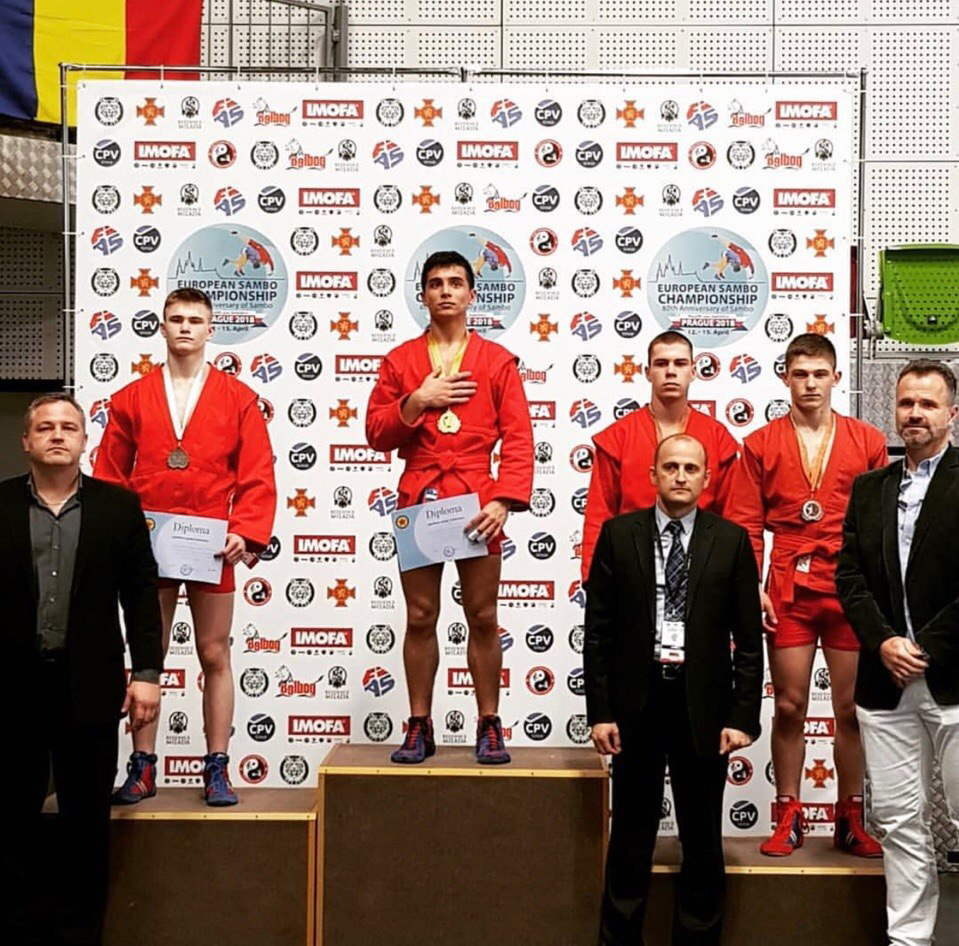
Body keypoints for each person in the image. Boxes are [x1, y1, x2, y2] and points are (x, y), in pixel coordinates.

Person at [94, 287, 277, 806]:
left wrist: (245, 529)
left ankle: (217, 764)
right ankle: (143, 764)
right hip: (148, 545)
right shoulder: (130, 398)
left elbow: (257, 472)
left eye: (195, 320)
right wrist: (120, 536)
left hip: (211, 544)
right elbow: (110, 475)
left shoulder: (238, 398)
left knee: (214, 652)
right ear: (162, 326)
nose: (185, 328)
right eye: (176, 319)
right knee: (147, 654)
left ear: (210, 329)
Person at [585, 433, 763, 946]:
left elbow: (748, 639)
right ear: (653, 476)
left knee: (702, 837)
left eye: (690, 468)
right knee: (630, 835)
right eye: (670, 467)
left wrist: (742, 717)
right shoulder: (619, 535)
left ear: (707, 478)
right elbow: (598, 632)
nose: (680, 476)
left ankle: (699, 938)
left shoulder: (730, 541)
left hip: (702, 706)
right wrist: (601, 712)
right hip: (637, 704)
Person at [0, 393, 162, 946]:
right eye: (45, 427)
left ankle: (80, 934)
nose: (57, 435)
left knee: (86, 822)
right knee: (10, 820)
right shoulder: (0, 504)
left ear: (84, 441)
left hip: (89, 687)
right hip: (12, 689)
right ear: (26, 441)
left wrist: (147, 673)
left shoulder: (118, 508)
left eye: (68, 427)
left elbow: (141, 596)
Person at [366, 249, 533, 764]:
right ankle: (419, 723)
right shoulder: (400, 362)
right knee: (420, 615)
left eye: (455, 282)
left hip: (477, 499)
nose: (445, 291)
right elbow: (376, 433)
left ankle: (489, 723)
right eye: (436, 283)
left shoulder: (496, 361)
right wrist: (417, 401)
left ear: (471, 294)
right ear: (423, 295)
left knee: (482, 614)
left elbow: (520, 439)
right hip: (421, 496)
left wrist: (504, 499)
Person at [727, 333, 886, 857]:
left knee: (850, 708)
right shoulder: (760, 443)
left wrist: (876, 589)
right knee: (790, 704)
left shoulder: (867, 440)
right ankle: (788, 813)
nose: (810, 384)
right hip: (788, 586)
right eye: (800, 374)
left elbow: (878, 523)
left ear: (836, 378)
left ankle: (850, 817)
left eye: (820, 374)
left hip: (848, 586)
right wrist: (752, 586)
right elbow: (746, 522)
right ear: (785, 378)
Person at [837, 359, 959, 945]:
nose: (915, 413)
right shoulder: (870, 488)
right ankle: (909, 938)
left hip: (953, 679)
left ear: (952, 414)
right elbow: (849, 577)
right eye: (907, 403)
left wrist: (924, 648)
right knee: (899, 820)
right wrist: (884, 641)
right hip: (884, 684)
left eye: (928, 404)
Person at [580, 330, 738, 582]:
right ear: (647, 372)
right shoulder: (618, 437)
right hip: (631, 565)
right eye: (662, 363)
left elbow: (733, 517)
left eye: (680, 363)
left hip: (701, 568)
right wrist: (593, 579)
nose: (671, 371)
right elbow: (599, 515)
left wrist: (737, 579)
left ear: (693, 371)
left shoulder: (717, 438)